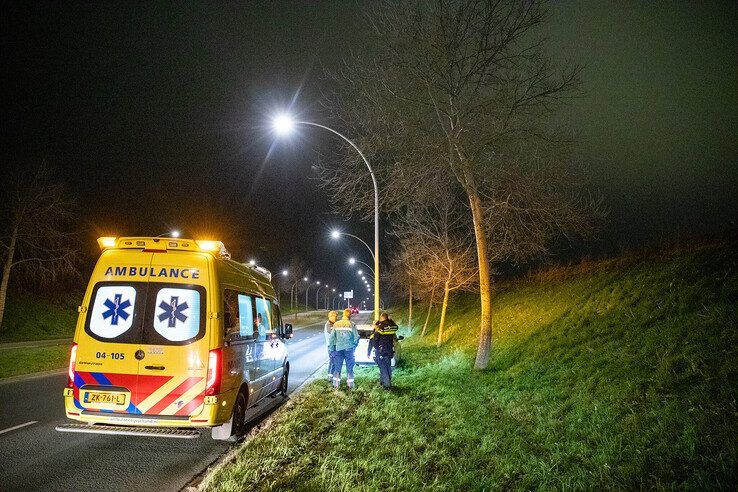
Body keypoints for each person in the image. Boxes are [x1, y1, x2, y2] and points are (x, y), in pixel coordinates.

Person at [328, 308, 359, 390]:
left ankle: (336, 385)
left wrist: (331, 349)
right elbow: (356, 337)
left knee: (337, 367)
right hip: (349, 349)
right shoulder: (352, 324)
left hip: (338, 349)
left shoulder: (336, 324)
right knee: (349, 367)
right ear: (350, 316)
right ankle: (350, 385)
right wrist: (354, 346)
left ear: (343, 315)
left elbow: (331, 338)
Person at [368, 312, 398, 389]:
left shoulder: (380, 328)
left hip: (381, 350)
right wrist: (390, 320)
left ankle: (387, 385)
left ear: (381, 318)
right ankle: (383, 382)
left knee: (383, 367)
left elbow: (374, 340)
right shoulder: (392, 326)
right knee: (388, 366)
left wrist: (375, 349)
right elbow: (396, 327)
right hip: (389, 349)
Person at [324, 310, 338, 382]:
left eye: (336, 317)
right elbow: (333, 332)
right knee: (333, 361)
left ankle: (331, 376)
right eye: (333, 317)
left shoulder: (333, 324)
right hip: (332, 346)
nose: (335, 318)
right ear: (330, 317)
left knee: (334, 361)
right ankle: (330, 377)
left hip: (334, 345)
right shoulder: (328, 325)